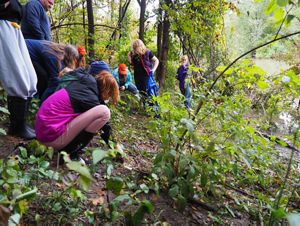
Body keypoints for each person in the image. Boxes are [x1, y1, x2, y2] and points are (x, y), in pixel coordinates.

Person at [35, 67, 120, 162]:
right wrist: (116, 149)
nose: (108, 97)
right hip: (50, 137)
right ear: (106, 90)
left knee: (100, 110)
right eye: (110, 95)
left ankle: (69, 149)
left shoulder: (84, 85)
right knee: (104, 112)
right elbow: (105, 127)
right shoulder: (89, 96)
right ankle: (70, 154)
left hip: (42, 132)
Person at [0, 0, 38, 140]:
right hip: (3, 27)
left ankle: (21, 124)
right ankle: (17, 128)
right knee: (18, 80)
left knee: (31, 80)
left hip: (15, 29)